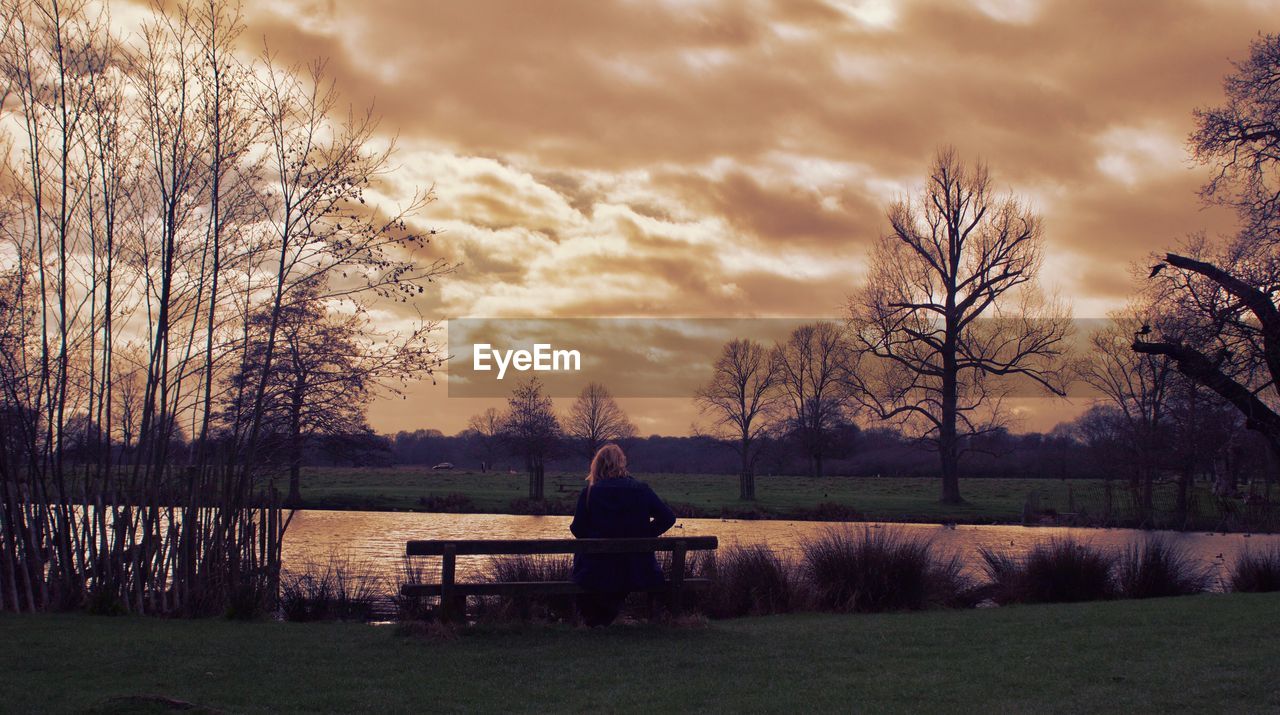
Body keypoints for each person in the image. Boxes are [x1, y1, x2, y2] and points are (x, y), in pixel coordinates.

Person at [569, 443, 677, 626]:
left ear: (597, 465)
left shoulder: (589, 493)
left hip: (596, 570)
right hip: (638, 569)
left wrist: (597, 537)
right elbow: (668, 518)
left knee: (588, 570)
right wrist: (645, 535)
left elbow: (577, 529)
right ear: (622, 463)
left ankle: (595, 620)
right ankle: (604, 618)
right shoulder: (641, 490)